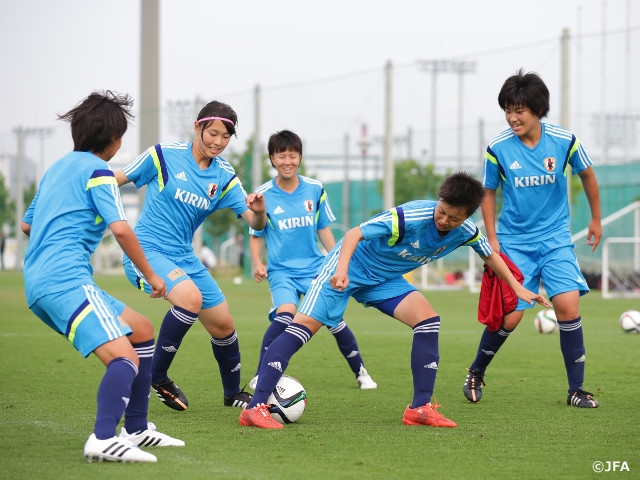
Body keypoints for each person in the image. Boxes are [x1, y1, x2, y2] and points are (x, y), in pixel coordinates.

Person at [238, 171, 550, 429]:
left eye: (454, 218)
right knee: (302, 327)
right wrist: (342, 270)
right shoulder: (411, 215)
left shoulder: (466, 230)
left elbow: (490, 255)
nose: (444, 220)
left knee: (427, 320)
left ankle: (420, 408)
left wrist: (517, 287)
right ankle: (255, 407)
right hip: (350, 266)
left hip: (384, 279)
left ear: (466, 216)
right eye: (442, 211)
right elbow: (353, 234)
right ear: (438, 201)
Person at [21, 91, 183, 463]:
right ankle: (103, 438)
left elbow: (28, 223)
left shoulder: (56, 169)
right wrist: (153, 277)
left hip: (43, 279)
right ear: (113, 140)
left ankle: (137, 429)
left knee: (141, 330)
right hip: (65, 280)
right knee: (124, 358)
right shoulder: (100, 172)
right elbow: (122, 230)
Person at [462, 69, 602, 409]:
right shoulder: (498, 147)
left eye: (519, 110)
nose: (512, 117)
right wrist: (492, 239)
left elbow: (586, 173)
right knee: (510, 317)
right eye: (507, 110)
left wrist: (596, 217)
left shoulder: (564, 141)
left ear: (537, 109)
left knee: (568, 307)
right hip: (513, 243)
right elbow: (488, 192)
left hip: (555, 240)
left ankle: (576, 390)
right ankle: (476, 371)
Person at [115, 100, 266, 412]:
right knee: (190, 300)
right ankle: (156, 376)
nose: (218, 142)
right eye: (213, 133)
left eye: (225, 137)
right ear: (198, 127)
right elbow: (116, 178)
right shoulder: (164, 155)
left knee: (223, 324)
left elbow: (254, 223)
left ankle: (232, 393)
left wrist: (260, 213)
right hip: (146, 252)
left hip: (184, 257)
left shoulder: (224, 175)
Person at [248, 129, 376, 391]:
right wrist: (257, 262)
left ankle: (361, 372)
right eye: (281, 156)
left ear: (300, 158)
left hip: (315, 269)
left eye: (293, 156)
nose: (287, 161)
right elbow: (256, 232)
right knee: (285, 317)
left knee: (335, 321)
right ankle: (262, 374)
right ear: (272, 159)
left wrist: (339, 263)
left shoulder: (315, 189)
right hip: (281, 271)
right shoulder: (263, 194)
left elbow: (324, 229)